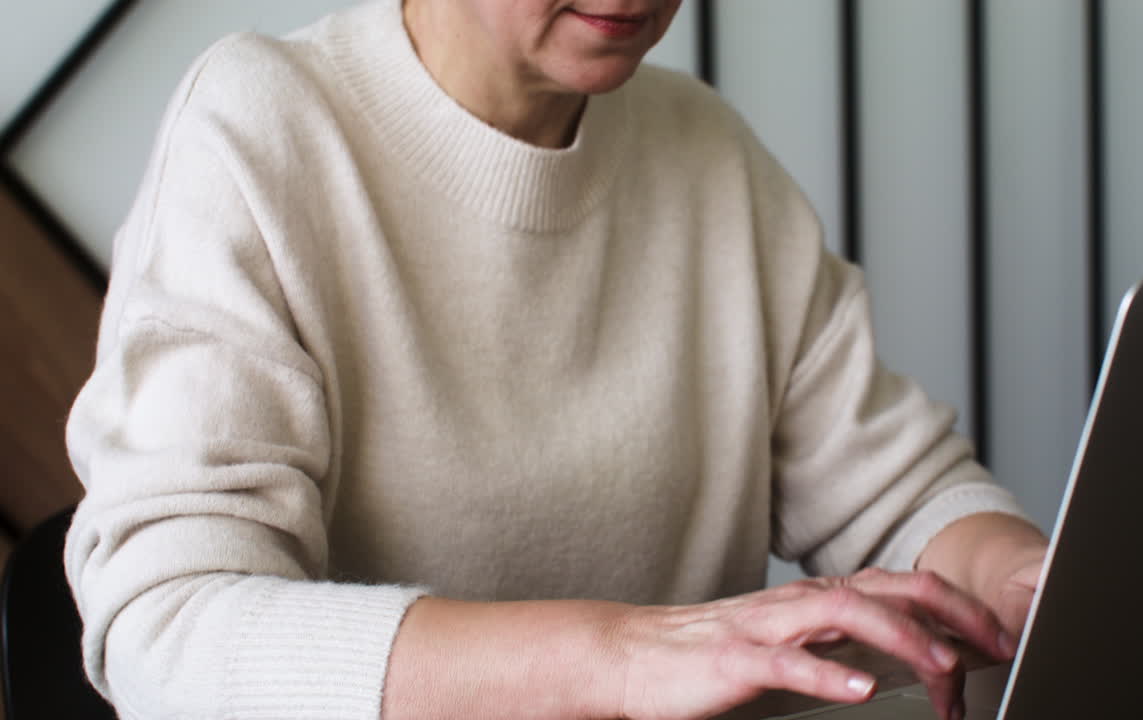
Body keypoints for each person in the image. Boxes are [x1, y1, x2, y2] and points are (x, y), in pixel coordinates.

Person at [63, 1, 1049, 719]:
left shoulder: (705, 150)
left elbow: (899, 496)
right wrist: (616, 661)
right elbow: (169, 630)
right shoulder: (260, 129)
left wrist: (1024, 580)